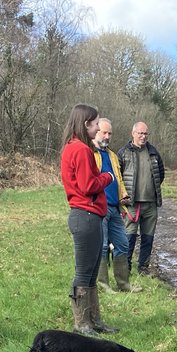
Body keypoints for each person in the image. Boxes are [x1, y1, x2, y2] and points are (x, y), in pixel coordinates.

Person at [60, 103, 115, 336]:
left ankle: (94, 321)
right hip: (86, 215)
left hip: (89, 215)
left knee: (92, 271)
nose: (97, 127)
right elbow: (87, 185)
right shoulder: (81, 150)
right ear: (86, 124)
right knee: (84, 272)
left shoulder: (73, 147)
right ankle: (82, 323)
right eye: (95, 123)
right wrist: (107, 177)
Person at [93, 118, 141, 295]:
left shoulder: (113, 155)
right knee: (103, 246)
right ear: (95, 132)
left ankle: (123, 283)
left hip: (115, 208)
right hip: (98, 208)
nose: (107, 136)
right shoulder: (90, 154)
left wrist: (123, 195)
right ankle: (103, 284)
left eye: (110, 133)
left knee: (122, 244)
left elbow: (118, 179)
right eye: (104, 132)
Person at [117, 121, 166, 276]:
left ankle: (143, 268)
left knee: (148, 237)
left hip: (150, 204)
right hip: (131, 204)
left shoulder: (153, 152)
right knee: (129, 236)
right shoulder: (123, 152)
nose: (143, 136)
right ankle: (126, 267)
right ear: (133, 133)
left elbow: (160, 174)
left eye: (145, 133)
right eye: (140, 133)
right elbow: (118, 177)